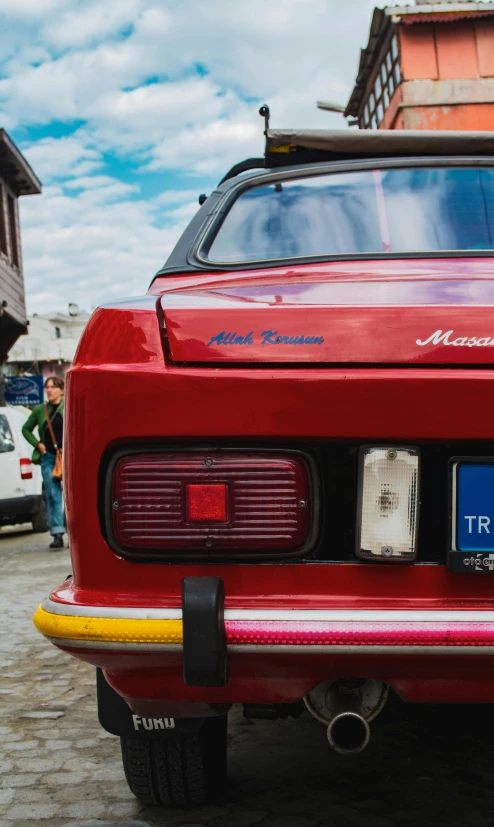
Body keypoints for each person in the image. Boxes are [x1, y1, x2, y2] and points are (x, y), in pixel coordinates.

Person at [22, 376, 66, 550]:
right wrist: (37, 444)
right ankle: (57, 533)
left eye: (53, 387)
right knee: (53, 496)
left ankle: (75, 533)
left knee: (74, 496)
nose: (49, 390)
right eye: (47, 387)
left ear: (62, 390)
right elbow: (25, 429)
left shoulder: (68, 406)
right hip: (48, 457)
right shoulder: (40, 410)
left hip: (68, 457)